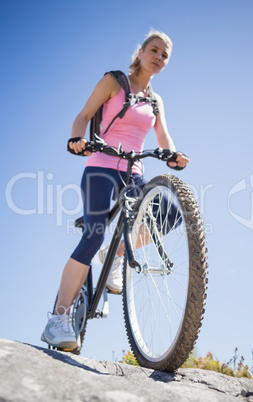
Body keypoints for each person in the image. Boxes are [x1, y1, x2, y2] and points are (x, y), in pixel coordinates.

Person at [41, 29, 189, 350]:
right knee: (93, 234)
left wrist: (172, 153)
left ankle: (118, 253)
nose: (159, 58)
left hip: (134, 171)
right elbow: (83, 115)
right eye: (154, 50)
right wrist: (76, 140)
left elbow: (163, 137)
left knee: (170, 214)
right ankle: (59, 318)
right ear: (140, 53)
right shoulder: (115, 81)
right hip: (101, 166)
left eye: (165, 55)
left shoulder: (155, 100)